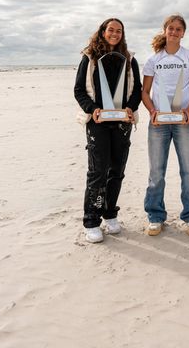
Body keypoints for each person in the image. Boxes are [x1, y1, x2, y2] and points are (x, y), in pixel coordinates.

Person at [74, 18, 142, 243]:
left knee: (117, 171)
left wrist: (131, 108)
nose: (114, 34)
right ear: (102, 32)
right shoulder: (89, 57)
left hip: (122, 123)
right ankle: (91, 221)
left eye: (119, 31)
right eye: (110, 30)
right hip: (98, 123)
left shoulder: (129, 58)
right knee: (98, 172)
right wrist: (92, 109)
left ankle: (110, 214)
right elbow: (79, 90)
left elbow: (137, 90)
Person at [142, 14, 189, 237]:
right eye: (171, 28)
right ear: (165, 30)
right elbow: (145, 92)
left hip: (185, 122)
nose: (174, 32)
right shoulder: (153, 60)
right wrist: (152, 112)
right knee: (156, 172)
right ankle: (155, 216)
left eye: (178, 29)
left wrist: (188, 110)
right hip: (159, 123)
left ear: (183, 33)